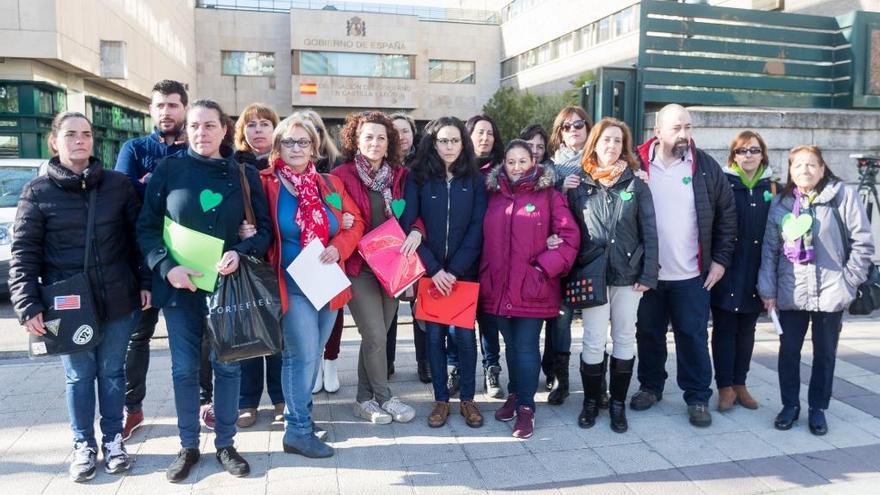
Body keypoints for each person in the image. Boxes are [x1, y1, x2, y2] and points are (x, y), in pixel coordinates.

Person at [137, 100, 272, 482]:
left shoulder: (244, 174)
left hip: (227, 286)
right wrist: (167, 267)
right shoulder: (168, 169)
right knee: (183, 370)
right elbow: (146, 228)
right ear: (187, 130)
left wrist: (240, 252)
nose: (202, 132)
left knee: (228, 366)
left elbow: (262, 232)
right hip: (180, 289)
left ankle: (226, 443)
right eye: (195, 125)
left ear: (224, 129)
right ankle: (188, 445)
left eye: (210, 125)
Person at [10, 112, 148, 481]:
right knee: (79, 376)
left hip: (119, 299)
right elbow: (24, 252)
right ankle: (84, 445)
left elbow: (138, 241)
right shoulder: (37, 192)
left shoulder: (118, 186)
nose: (80, 140)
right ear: (55, 141)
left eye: (86, 134)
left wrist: (145, 282)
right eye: (70, 134)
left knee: (113, 372)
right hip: (68, 305)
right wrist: (27, 304)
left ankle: (114, 441)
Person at [258, 115, 365, 457]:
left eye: (303, 142)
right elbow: (256, 224)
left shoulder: (329, 185)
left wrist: (340, 246)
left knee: (313, 354)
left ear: (314, 148)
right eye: (288, 142)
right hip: (290, 284)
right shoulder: (266, 183)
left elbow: (355, 222)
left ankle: (299, 416)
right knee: (300, 356)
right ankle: (298, 431)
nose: (295, 148)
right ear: (278, 146)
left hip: (326, 283)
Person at [631, 104, 736, 428]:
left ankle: (697, 397)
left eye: (688, 127)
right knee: (648, 334)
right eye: (677, 128)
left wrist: (719, 261)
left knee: (692, 336)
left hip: (691, 274)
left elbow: (727, 215)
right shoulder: (635, 162)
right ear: (658, 131)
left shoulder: (704, 166)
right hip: (648, 274)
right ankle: (651, 387)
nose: (684, 134)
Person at [758, 145, 874, 435]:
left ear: (822, 168)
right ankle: (789, 405)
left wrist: (849, 282)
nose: (804, 171)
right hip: (791, 290)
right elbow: (771, 250)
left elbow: (863, 243)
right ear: (790, 171)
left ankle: (817, 408)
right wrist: (768, 289)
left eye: (811, 165)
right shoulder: (781, 203)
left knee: (824, 354)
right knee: (788, 353)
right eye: (798, 166)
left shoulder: (842, 196)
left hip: (832, 291)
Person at [115, 80, 199, 438]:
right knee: (138, 337)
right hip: (145, 258)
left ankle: (208, 401)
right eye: (160, 105)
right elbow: (122, 192)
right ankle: (132, 408)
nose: (166, 112)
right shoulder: (134, 149)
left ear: (185, 109)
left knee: (202, 335)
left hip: (192, 256)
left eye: (173, 105)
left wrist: (147, 184)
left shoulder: (195, 149)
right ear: (151, 110)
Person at [481, 139, 579, 438]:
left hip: (533, 287)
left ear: (533, 162)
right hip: (498, 287)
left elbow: (568, 237)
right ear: (503, 163)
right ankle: (514, 394)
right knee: (511, 346)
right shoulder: (492, 194)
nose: (516, 167)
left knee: (525, 347)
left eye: (522, 161)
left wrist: (542, 269)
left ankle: (526, 408)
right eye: (510, 161)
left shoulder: (548, 195)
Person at [568, 118, 658, 433]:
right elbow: (568, 231)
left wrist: (648, 274)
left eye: (618, 141)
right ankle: (592, 401)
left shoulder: (636, 183)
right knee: (593, 340)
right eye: (606, 139)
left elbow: (650, 232)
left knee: (624, 337)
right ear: (594, 143)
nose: (612, 146)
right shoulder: (579, 184)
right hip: (591, 274)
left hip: (629, 275)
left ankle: (618, 404)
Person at [331, 111, 419, 425]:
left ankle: (362, 400)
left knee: (376, 337)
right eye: (368, 136)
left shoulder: (400, 175)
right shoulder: (341, 174)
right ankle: (384, 397)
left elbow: (415, 212)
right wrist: (337, 219)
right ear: (356, 139)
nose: (375, 142)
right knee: (375, 336)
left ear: (389, 141)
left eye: (381, 137)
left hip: (392, 264)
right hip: (359, 266)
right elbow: (328, 210)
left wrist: (417, 231)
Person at [401, 116, 487, 429]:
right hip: (430, 273)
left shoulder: (474, 179)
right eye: (443, 141)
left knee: (465, 338)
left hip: (462, 274)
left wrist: (454, 270)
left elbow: (478, 227)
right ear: (432, 143)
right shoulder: (418, 176)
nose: (449, 146)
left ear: (463, 143)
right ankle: (440, 399)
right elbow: (409, 223)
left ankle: (467, 399)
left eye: (454, 140)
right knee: (434, 338)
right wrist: (435, 270)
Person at [711, 130, 776, 412]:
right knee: (724, 329)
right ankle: (724, 386)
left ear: (763, 154)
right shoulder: (723, 183)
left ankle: (740, 383)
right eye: (741, 151)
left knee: (747, 330)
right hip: (727, 269)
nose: (748, 155)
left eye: (754, 150)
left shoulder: (772, 188)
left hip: (757, 270)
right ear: (733, 155)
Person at [231, 103, 284, 429]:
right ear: (242, 132)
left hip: (280, 257)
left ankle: (280, 400)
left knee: (277, 335)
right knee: (249, 333)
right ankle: (247, 400)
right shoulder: (233, 165)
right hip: (249, 257)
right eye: (251, 125)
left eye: (265, 123)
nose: (259, 130)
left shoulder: (286, 163)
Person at [545, 106, 595, 406]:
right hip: (562, 254)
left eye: (579, 124)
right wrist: (562, 189)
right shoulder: (549, 169)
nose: (574, 130)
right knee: (561, 320)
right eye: (566, 126)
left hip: (592, 254)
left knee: (595, 320)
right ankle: (561, 380)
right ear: (559, 132)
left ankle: (595, 380)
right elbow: (541, 210)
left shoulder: (601, 162)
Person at [293, 109, 345, 394]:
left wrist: (343, 217)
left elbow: (346, 210)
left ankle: (331, 362)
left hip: (328, 257)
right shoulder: (283, 172)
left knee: (331, 316)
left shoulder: (335, 169)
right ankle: (311, 370)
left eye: (313, 130)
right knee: (304, 328)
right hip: (298, 261)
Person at [463, 114, 505, 399]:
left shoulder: (502, 172)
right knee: (460, 321)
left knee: (489, 321)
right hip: (463, 257)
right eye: (479, 132)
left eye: (489, 133)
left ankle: (492, 369)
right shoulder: (457, 169)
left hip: (492, 257)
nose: (485, 138)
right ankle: (456, 368)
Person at [390, 112, 432, 384]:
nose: (400, 136)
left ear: (412, 134)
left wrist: (418, 229)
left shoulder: (425, 164)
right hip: (388, 245)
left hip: (420, 241)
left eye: (405, 131)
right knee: (388, 307)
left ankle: (425, 362)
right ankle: (386, 362)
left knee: (422, 306)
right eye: (394, 131)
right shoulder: (380, 164)